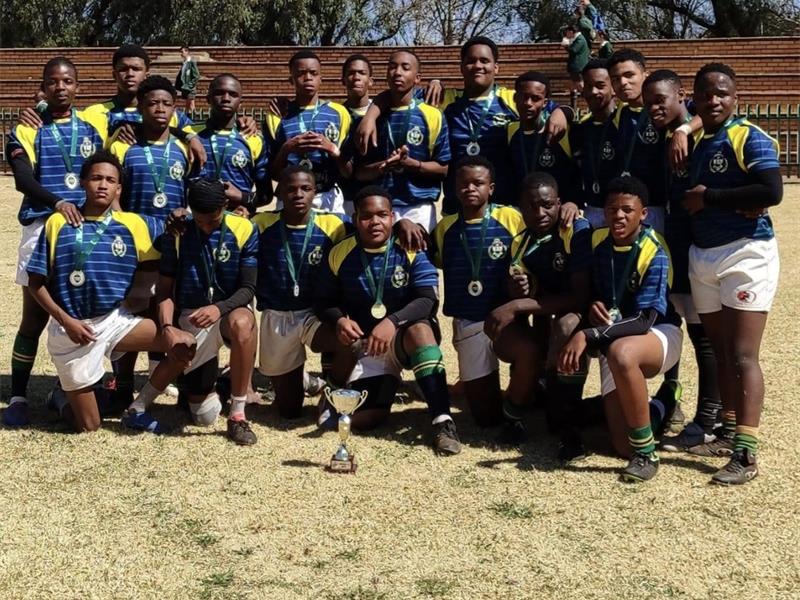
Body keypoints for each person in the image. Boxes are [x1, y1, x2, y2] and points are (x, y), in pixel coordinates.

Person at [25, 151, 195, 433]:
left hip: (113, 321)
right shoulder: (58, 223)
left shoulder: (133, 224)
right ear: (83, 183)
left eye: (110, 180)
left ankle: (137, 409)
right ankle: (60, 397)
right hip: (71, 329)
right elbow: (35, 283)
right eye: (96, 178)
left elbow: (171, 230)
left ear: (119, 188)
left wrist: (182, 216)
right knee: (89, 427)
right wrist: (66, 321)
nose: (102, 185)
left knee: (183, 344)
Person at [682, 63, 782, 484]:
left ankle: (746, 452)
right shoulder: (698, 137)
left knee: (743, 355)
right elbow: (681, 110)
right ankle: (725, 430)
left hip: (745, 253)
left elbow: (771, 190)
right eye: (706, 94)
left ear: (736, 96)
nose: (714, 99)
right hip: (703, 255)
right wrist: (684, 128)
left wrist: (712, 198)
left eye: (722, 92)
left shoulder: (748, 136)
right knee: (720, 351)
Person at [314, 185, 461, 455]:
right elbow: (324, 301)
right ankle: (375, 387)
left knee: (420, 330)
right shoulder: (340, 252)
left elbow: (427, 299)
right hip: (368, 346)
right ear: (355, 219)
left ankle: (442, 420)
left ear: (393, 217)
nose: (375, 222)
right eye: (367, 216)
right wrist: (338, 321)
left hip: (403, 338)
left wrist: (392, 321)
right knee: (365, 420)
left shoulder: (411, 245)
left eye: (382, 215)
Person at [356, 36, 574, 215]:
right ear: (461, 66)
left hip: (503, 202)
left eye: (484, 61)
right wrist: (369, 117)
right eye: (470, 61)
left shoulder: (511, 100)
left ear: (496, 67)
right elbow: (396, 94)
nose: (477, 66)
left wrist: (561, 112)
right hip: (457, 202)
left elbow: (552, 106)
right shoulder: (444, 98)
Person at [4, 57, 107, 427]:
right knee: (33, 316)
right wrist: (57, 203)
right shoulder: (27, 128)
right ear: (44, 87)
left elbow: (140, 110)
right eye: (53, 82)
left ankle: (74, 387)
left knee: (87, 311)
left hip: (84, 230)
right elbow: (22, 180)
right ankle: (17, 396)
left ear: (77, 86)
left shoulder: (96, 121)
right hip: (42, 226)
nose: (61, 87)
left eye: (67, 81)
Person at [559, 176, 682, 482]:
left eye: (627, 209)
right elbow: (601, 297)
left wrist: (587, 334)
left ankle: (646, 455)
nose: (619, 216)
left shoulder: (654, 250)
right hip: (614, 335)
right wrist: (593, 308)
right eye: (612, 209)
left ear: (643, 213)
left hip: (656, 335)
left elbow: (645, 319)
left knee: (622, 352)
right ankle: (663, 403)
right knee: (620, 445)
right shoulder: (601, 247)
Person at [484, 172, 592, 460]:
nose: (540, 212)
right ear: (520, 207)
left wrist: (519, 306)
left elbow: (581, 298)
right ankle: (518, 413)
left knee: (566, 325)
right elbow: (528, 291)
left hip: (593, 311)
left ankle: (568, 427)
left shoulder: (575, 231)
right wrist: (518, 291)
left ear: (559, 203)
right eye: (531, 206)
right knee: (532, 334)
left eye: (547, 205)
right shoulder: (521, 242)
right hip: (551, 311)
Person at [641, 69, 722, 452]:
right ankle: (672, 400)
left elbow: (711, 112)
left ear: (681, 96)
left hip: (700, 245)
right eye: (649, 102)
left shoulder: (697, 127)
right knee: (673, 324)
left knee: (702, 335)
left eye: (661, 100)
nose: (654, 107)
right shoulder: (655, 131)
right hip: (672, 240)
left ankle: (708, 419)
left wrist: (685, 128)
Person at [152, 178, 260, 444]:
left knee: (244, 322)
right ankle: (217, 382)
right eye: (199, 221)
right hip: (192, 317)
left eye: (212, 221)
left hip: (227, 311)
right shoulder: (177, 231)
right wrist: (168, 328)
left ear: (225, 206)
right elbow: (164, 291)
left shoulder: (244, 229)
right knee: (204, 416)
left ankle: (237, 414)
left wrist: (218, 308)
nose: (205, 227)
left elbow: (248, 288)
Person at [109, 75, 190, 407]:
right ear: (140, 107)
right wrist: (123, 227)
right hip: (135, 239)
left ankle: (169, 381)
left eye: (166, 103)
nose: (159, 109)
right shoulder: (122, 145)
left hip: (175, 237)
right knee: (132, 309)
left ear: (175, 108)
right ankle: (123, 384)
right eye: (152, 103)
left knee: (168, 307)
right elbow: (114, 193)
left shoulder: (186, 146)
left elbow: (195, 190)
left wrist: (185, 214)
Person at [431, 156, 525, 427]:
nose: (470, 188)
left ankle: (520, 404)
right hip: (468, 321)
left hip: (506, 319)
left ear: (491, 188)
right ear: (454, 188)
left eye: (478, 183)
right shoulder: (446, 227)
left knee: (527, 352)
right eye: (463, 183)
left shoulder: (511, 217)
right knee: (485, 419)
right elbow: (434, 259)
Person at [252, 166, 350, 419]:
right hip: (277, 315)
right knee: (289, 411)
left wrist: (403, 222)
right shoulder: (261, 224)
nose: (298, 194)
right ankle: (304, 381)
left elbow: (372, 228)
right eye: (290, 189)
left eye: (306, 188)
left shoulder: (333, 225)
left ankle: (333, 391)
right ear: (280, 193)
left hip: (314, 314)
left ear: (315, 192)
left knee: (350, 340)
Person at [354, 49, 450, 236]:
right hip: (379, 207)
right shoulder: (371, 119)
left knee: (418, 262)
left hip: (418, 207)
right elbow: (359, 172)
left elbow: (444, 168)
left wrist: (412, 165)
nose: (397, 72)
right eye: (392, 67)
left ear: (417, 78)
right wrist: (383, 166)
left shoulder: (433, 115)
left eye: (405, 68)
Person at [265, 50, 352, 215]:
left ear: (321, 79)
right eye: (301, 73)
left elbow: (347, 171)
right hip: (291, 197)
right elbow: (274, 174)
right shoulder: (277, 115)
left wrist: (332, 149)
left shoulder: (339, 113)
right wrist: (286, 149)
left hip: (328, 196)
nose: (308, 78)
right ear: (291, 79)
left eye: (313, 73)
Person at [187, 74, 272, 216]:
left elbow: (266, 196)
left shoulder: (254, 139)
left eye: (233, 94)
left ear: (240, 102)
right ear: (208, 99)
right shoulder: (188, 134)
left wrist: (242, 197)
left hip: (239, 219)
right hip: (197, 220)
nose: (226, 98)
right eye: (219, 93)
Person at [506, 71, 581, 211]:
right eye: (523, 96)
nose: (528, 103)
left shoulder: (561, 131)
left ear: (545, 102)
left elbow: (577, 174)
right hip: (521, 211)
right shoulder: (509, 131)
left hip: (556, 212)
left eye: (535, 98)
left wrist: (573, 202)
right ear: (515, 98)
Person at [339, 54, 375, 208]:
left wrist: (436, 81)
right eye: (351, 73)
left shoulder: (384, 111)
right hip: (346, 199)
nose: (356, 77)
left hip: (379, 196)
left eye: (362, 73)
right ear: (343, 80)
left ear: (371, 81)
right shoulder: (335, 115)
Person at [562, 25, 590, 98]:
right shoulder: (577, 39)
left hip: (578, 66)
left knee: (579, 83)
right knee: (573, 84)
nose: (566, 34)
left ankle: (587, 98)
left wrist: (566, 46)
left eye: (567, 32)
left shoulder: (580, 39)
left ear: (571, 32)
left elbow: (574, 50)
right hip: (575, 66)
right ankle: (573, 102)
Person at [175, 46, 200, 114]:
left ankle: (193, 119)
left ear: (187, 52)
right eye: (181, 52)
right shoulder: (184, 63)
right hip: (185, 88)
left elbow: (196, 76)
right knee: (188, 104)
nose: (181, 54)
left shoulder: (191, 62)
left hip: (190, 88)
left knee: (191, 104)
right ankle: (188, 119)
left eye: (182, 52)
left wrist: (190, 85)